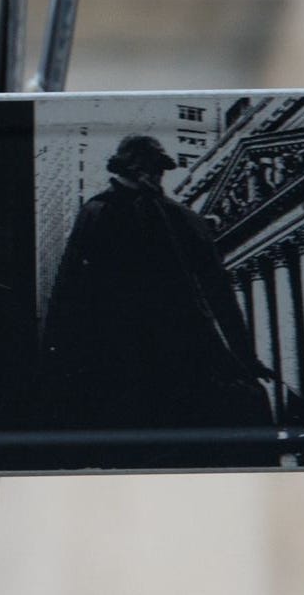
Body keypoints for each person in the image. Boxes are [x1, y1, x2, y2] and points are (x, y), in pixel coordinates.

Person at [39, 134, 279, 432]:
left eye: (158, 168)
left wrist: (246, 356)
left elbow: (219, 292)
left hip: (180, 347)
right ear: (128, 168)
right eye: (148, 167)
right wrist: (57, 354)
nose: (155, 175)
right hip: (120, 350)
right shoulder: (97, 212)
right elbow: (69, 289)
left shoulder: (183, 219)